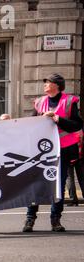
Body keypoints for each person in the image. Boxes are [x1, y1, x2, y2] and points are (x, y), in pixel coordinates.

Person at [23, 73, 83, 232]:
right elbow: (31, 124)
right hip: (41, 152)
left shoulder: (69, 101)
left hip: (62, 151)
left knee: (58, 185)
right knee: (35, 184)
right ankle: (30, 219)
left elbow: (77, 125)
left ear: (57, 85)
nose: (44, 85)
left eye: (47, 82)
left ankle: (55, 219)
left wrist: (57, 118)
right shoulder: (40, 102)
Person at [66, 130, 84, 206]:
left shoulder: (65, 130)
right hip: (80, 156)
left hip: (69, 157)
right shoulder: (79, 129)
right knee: (82, 178)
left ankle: (73, 200)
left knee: (69, 178)